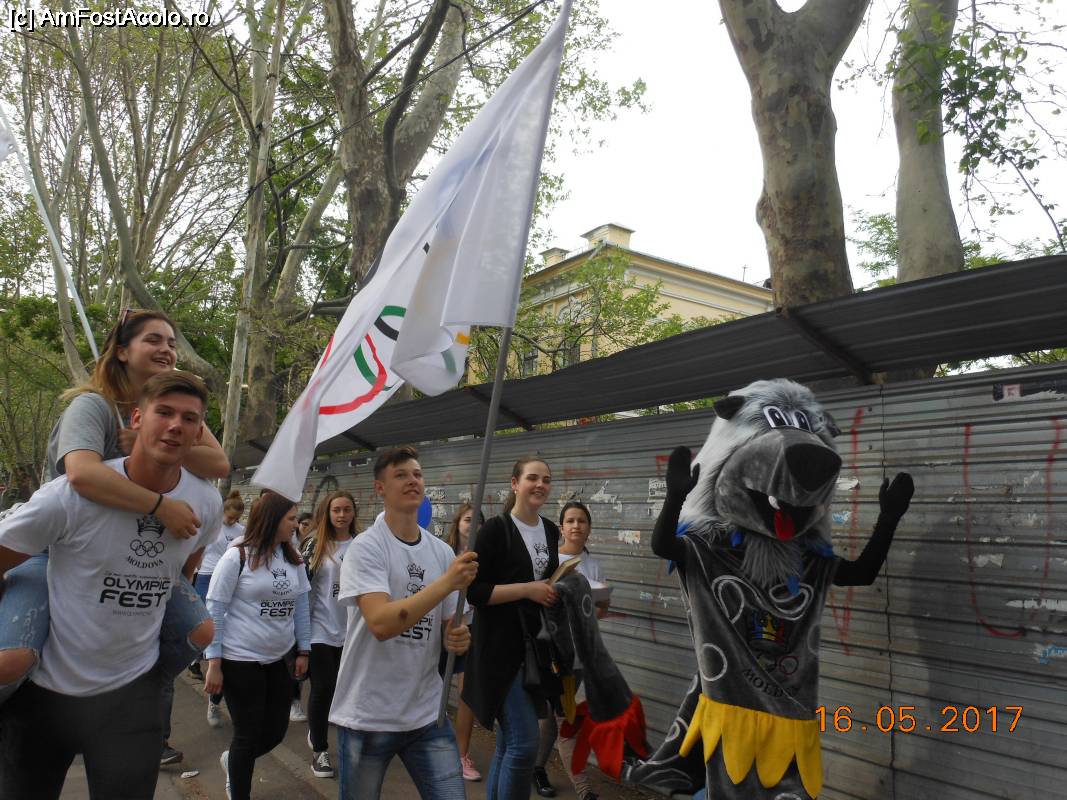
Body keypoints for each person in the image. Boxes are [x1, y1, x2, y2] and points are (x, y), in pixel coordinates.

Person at [0, 309, 230, 767]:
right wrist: (159, 506)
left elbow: (218, 464)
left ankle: (143, 692)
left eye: (171, 341)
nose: (167, 349)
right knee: (12, 660)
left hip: (132, 554)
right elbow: (82, 474)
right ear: (122, 351)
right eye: (153, 340)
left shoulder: (174, 406)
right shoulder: (93, 406)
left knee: (199, 631)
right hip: (57, 548)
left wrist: (155, 437)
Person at [328, 446, 477, 800]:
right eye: (400, 475)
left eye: (417, 474)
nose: (412, 481)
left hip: (426, 713)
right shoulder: (366, 547)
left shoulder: (442, 552)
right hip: (368, 716)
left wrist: (457, 638)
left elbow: (449, 627)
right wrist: (446, 583)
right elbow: (381, 624)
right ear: (380, 488)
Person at [463, 456, 561, 800]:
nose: (540, 485)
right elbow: (474, 592)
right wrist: (527, 589)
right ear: (515, 483)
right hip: (498, 652)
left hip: (534, 650)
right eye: (533, 478)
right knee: (524, 744)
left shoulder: (551, 530)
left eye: (546, 479)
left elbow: (544, 581)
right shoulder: (495, 530)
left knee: (509, 744)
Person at [203, 491, 312, 800]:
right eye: (291, 519)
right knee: (247, 734)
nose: (296, 525)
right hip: (240, 660)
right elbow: (215, 608)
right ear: (272, 519)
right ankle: (239, 788)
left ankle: (233, 761)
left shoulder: (293, 558)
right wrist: (214, 662)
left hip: (279, 659)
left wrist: (304, 649)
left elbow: (301, 606)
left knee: (276, 732)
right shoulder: (237, 556)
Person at [533, 501, 607, 800]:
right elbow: (537, 605)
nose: (576, 526)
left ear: (589, 528)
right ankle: (584, 791)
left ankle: (535, 769)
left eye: (582, 521)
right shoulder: (550, 561)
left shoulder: (593, 564)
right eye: (571, 521)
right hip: (551, 654)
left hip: (579, 654)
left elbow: (600, 610)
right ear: (561, 527)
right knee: (566, 719)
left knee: (551, 720)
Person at [301, 490, 358, 779]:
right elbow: (301, 589)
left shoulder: (362, 544)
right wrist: (300, 637)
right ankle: (320, 751)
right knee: (322, 688)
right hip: (319, 628)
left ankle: (318, 730)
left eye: (347, 509)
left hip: (351, 631)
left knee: (341, 690)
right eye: (336, 510)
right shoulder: (314, 544)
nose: (342, 515)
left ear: (353, 513)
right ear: (327, 513)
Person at [194, 489, 246, 721]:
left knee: (222, 623)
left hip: (229, 579)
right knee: (205, 620)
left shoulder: (241, 531)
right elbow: (197, 547)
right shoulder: (212, 525)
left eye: (236, 518)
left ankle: (217, 694)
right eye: (230, 517)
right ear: (223, 511)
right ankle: (198, 656)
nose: (232, 521)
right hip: (206, 576)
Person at [442, 502, 483, 782]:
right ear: (457, 524)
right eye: (468, 519)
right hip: (443, 630)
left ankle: (461, 754)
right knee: (435, 689)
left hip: (472, 630)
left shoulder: (486, 558)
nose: (473, 525)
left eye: (478, 520)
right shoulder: (443, 554)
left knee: (467, 694)